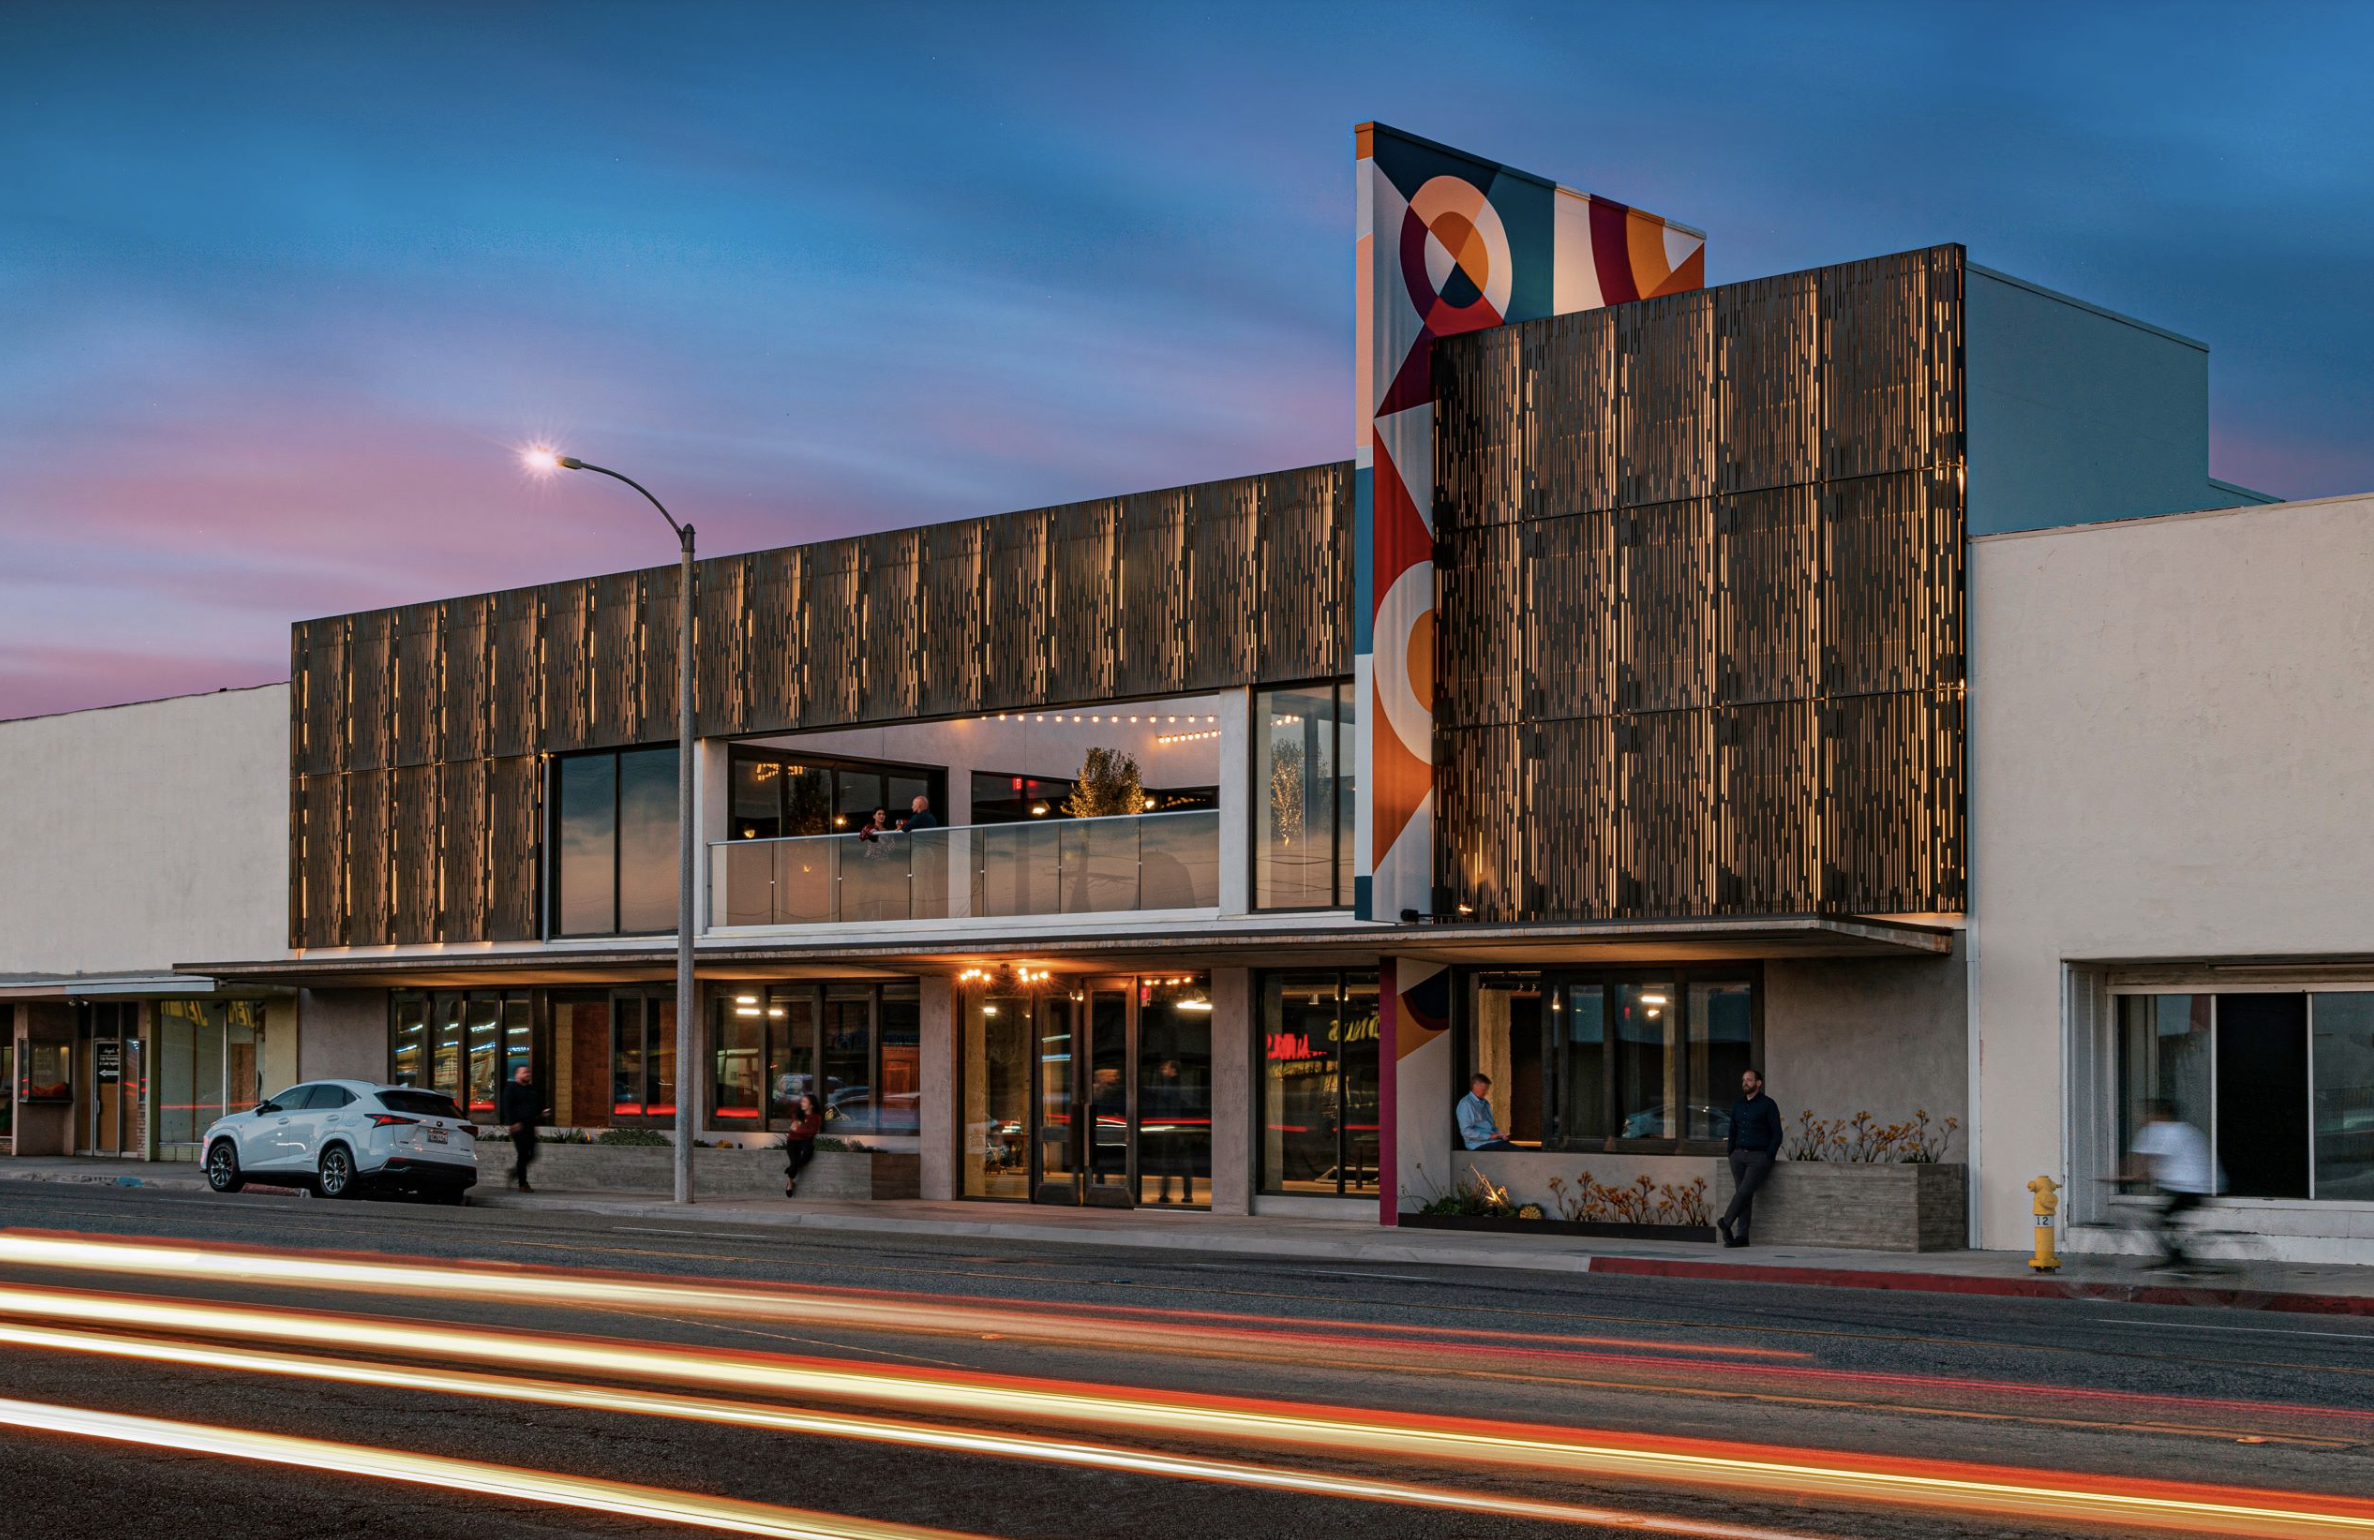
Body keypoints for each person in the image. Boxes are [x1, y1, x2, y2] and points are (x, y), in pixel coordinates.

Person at [2126, 1098, 2217, 1269]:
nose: (2144, 1117)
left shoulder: (2172, 1131)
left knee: (2161, 1221)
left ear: (2160, 1115)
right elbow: (2143, 1159)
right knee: (2166, 1220)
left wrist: (2130, 1178)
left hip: (2191, 1188)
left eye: (2148, 1114)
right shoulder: (2179, 1129)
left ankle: (2178, 1258)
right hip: (2186, 1186)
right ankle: (2177, 1256)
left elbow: (2154, 1159)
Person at [1717, 1067, 1782, 1247]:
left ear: (1758, 1083)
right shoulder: (1738, 1104)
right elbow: (1733, 1129)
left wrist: (1769, 1156)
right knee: (1744, 1195)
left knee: (1744, 1191)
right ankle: (1742, 1237)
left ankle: (1726, 1221)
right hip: (1738, 1155)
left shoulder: (1768, 1104)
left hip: (1759, 1156)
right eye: (1744, 1080)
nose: (1745, 1082)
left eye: (1749, 1080)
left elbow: (1777, 1133)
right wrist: (1731, 1152)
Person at [498, 1063, 540, 1193]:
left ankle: (514, 1172)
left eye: (528, 1072)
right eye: (524, 1072)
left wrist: (541, 1114)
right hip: (517, 1127)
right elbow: (507, 1107)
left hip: (530, 1126)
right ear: (517, 1075)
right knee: (522, 1155)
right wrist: (512, 1123)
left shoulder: (531, 1089)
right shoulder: (511, 1089)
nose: (527, 1074)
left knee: (532, 1154)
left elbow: (534, 1106)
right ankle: (523, 1184)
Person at [1456, 1073, 1516, 1152]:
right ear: (1475, 1086)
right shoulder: (1465, 1103)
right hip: (1478, 1144)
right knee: (1520, 1154)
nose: (1486, 1093)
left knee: (1521, 1152)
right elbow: (1466, 1131)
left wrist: (1501, 1134)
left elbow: (1491, 1127)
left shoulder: (1485, 1103)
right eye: (1484, 1090)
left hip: (1492, 1141)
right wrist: (1489, 1136)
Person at [783, 1092, 825, 1198]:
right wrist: (802, 1130)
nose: (802, 1103)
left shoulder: (816, 1118)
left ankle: (791, 1175)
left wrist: (800, 1129)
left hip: (806, 1141)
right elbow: (793, 1131)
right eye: (802, 1101)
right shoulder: (798, 1114)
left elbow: (812, 1132)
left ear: (811, 1105)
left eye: (805, 1102)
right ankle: (790, 1182)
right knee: (794, 1160)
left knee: (808, 1151)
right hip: (792, 1141)